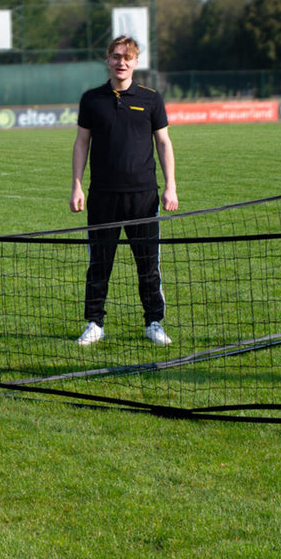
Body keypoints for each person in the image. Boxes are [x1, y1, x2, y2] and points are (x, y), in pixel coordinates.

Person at [69, 35, 179, 347]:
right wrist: (77, 185)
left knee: (148, 263)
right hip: (102, 196)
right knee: (99, 263)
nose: (121, 62)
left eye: (127, 57)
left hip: (144, 196)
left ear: (136, 62)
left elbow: (164, 142)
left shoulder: (151, 99)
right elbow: (81, 144)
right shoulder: (92, 100)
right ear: (108, 60)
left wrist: (170, 186)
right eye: (116, 56)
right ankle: (94, 323)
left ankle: (153, 322)